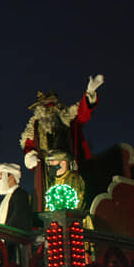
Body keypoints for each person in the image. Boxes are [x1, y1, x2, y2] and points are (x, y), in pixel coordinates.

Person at [20, 74, 104, 210]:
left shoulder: (67, 119)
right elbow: (28, 145)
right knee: (48, 200)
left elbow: (83, 114)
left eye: (52, 106)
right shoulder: (35, 126)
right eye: (46, 107)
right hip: (47, 171)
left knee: (72, 197)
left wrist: (90, 93)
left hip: (68, 167)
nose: (49, 110)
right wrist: (30, 155)